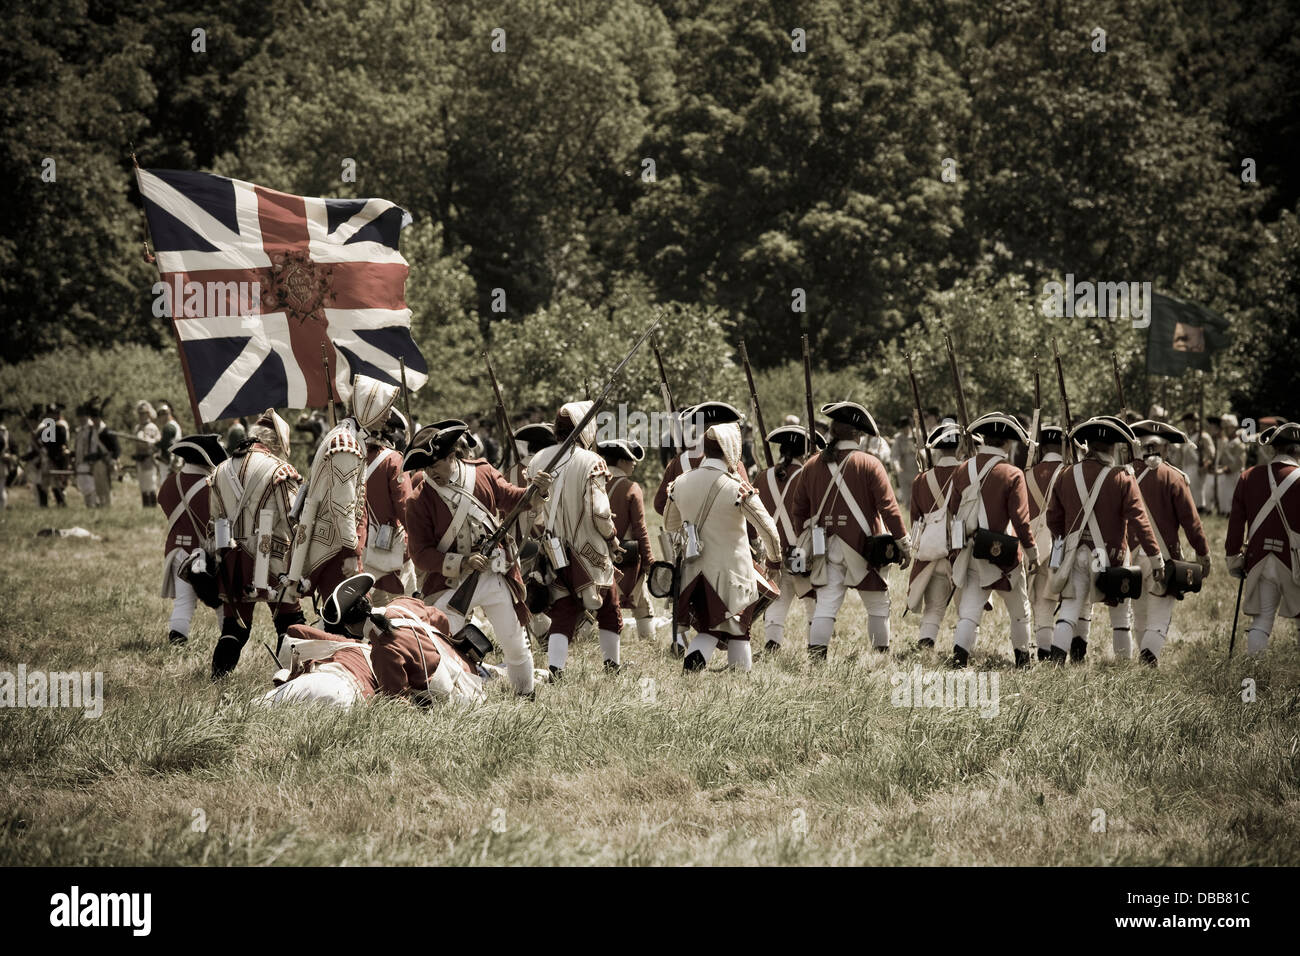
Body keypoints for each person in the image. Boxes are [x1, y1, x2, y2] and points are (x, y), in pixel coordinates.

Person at [404, 421, 542, 697]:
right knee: (439, 643)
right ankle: (449, 695)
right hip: (451, 584)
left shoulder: (482, 472)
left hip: (495, 574)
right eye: (426, 467)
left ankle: (526, 695)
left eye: (436, 464)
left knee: (515, 643)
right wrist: (463, 562)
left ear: (451, 455)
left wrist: (537, 490)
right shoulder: (419, 499)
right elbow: (420, 554)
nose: (430, 472)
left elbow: (512, 499)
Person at [788, 401, 911, 660]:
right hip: (864, 547)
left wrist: (805, 541)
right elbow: (889, 508)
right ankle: (880, 658)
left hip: (825, 546)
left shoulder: (811, 464)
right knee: (877, 604)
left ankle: (816, 659)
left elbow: (798, 510)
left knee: (826, 605)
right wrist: (904, 544)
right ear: (858, 433)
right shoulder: (870, 463)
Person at [665, 421, 780, 672]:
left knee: (710, 627)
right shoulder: (736, 486)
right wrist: (774, 561)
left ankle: (692, 669)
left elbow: (670, 526)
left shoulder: (679, 483)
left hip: (693, 573)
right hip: (732, 572)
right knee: (739, 630)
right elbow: (768, 528)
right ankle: (740, 683)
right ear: (732, 450)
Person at [1044, 417, 1162, 663]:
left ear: (1090, 445)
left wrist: (1065, 541)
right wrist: (1156, 558)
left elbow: (1053, 519)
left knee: (1069, 610)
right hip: (1112, 557)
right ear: (1113, 447)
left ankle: (1055, 664)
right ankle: (1121, 669)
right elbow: (1140, 521)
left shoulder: (1066, 474)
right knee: (1120, 617)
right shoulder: (1122, 477)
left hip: (1076, 553)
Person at [285, 375, 399, 606]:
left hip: (333, 541)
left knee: (341, 617)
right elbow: (342, 505)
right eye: (384, 409)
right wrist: (351, 552)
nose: (388, 416)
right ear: (369, 408)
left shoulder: (347, 436)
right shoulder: (347, 445)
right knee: (354, 614)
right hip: (335, 546)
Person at [208, 409, 305, 679]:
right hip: (273, 558)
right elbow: (293, 519)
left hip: (231, 560)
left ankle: (217, 680)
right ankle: (289, 680)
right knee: (290, 622)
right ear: (277, 443)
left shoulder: (219, 471)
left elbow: (215, 521)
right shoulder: (280, 470)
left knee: (234, 628)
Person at [528, 401, 621, 676]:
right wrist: (612, 538)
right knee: (609, 605)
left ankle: (556, 670)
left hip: (553, 547)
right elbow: (600, 512)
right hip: (590, 548)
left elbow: (532, 510)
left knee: (563, 609)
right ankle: (611, 667)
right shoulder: (592, 461)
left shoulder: (538, 459)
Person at [946, 413, 1037, 668]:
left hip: (972, 549)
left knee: (970, 608)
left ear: (984, 439)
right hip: (1005, 553)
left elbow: (953, 510)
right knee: (1020, 610)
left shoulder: (962, 469)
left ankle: (959, 658)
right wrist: (1032, 552)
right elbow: (1020, 520)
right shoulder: (1012, 473)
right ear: (1007, 443)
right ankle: (1023, 662)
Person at [1127, 421, 1211, 666]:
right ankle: (1148, 664)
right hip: (1163, 555)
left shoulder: (1123, 473)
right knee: (1160, 614)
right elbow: (1191, 522)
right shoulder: (1173, 476)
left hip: (1131, 555)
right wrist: (1203, 554)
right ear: (1163, 448)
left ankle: (1143, 664)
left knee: (1139, 614)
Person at [1225, 422, 1300, 657]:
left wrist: (1233, 559)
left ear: (1273, 449)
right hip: (1293, 560)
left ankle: (1254, 672)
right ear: (1297, 450)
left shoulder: (1249, 476)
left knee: (1262, 620)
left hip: (1259, 559)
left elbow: (1236, 523)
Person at [755, 424, 821, 653]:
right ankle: (815, 647)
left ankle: (772, 644)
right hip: (802, 551)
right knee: (813, 600)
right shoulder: (809, 477)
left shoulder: (763, 476)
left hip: (773, 552)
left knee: (777, 600)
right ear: (804, 453)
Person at [158, 434, 226, 645]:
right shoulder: (213, 487)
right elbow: (221, 522)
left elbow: (164, 503)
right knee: (223, 601)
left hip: (176, 550)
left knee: (183, 600)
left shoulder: (170, 483)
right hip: (204, 552)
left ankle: (177, 637)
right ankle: (229, 640)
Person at [906, 423, 963, 652]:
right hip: (961, 551)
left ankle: (925, 645)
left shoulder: (922, 479)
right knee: (967, 610)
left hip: (930, 551)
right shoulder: (968, 474)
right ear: (960, 448)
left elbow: (915, 520)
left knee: (933, 608)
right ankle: (962, 651)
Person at [599, 438, 657, 641]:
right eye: (631, 459)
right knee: (643, 605)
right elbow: (640, 529)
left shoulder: (595, 483)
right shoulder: (631, 487)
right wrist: (649, 560)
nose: (634, 463)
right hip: (625, 555)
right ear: (622, 461)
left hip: (596, 553)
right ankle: (649, 645)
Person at [653, 402, 750, 516]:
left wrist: (685, 520)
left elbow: (660, 504)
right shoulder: (733, 462)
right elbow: (747, 505)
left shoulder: (678, 462)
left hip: (686, 532)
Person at [1025, 425, 1068, 660]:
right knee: (1074, 603)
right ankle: (1070, 651)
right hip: (1065, 543)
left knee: (1042, 601)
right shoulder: (1071, 472)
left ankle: (1044, 650)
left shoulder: (1028, 474)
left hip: (1036, 544)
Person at [364, 408, 415, 600]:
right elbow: (405, 508)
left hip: (355, 544)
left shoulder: (352, 454)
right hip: (388, 546)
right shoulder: (394, 460)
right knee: (405, 606)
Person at [1213, 413, 1246, 516]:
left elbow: (1239, 462)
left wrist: (1224, 470)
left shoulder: (1239, 443)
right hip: (1226, 474)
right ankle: (1224, 512)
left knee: (1232, 496)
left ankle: (1231, 514)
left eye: (1227, 428)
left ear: (1233, 427)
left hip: (1234, 474)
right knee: (1224, 495)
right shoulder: (1226, 442)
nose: (1225, 430)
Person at [133, 400, 163, 508]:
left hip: (149, 459)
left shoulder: (152, 427)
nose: (142, 415)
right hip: (139, 460)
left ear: (148, 413)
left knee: (151, 485)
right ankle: (146, 508)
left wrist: (146, 440)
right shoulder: (137, 428)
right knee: (143, 486)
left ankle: (152, 507)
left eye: (144, 413)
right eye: (140, 413)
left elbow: (155, 443)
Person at [890, 416, 918, 509]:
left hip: (916, 469)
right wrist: (897, 466)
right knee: (906, 496)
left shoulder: (917, 435)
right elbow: (895, 455)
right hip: (904, 470)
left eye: (905, 427)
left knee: (918, 492)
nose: (904, 430)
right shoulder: (898, 439)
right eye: (902, 428)